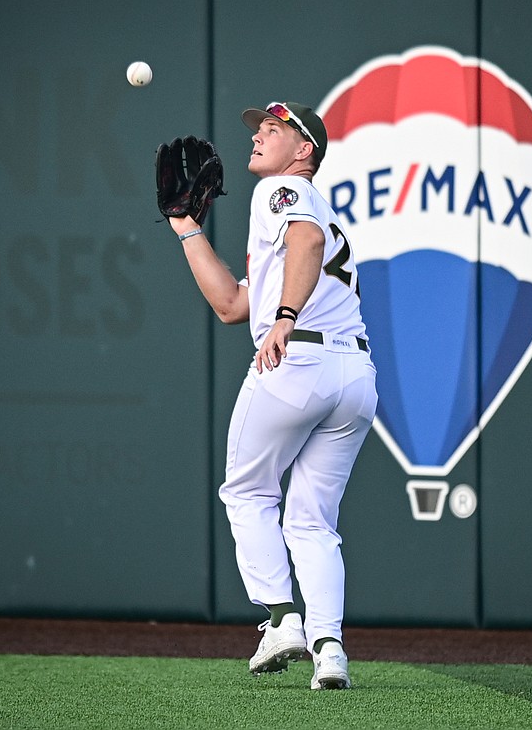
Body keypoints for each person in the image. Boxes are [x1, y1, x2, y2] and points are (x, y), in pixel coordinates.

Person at [166, 101, 377, 690]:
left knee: (246, 489)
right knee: (312, 521)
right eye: (258, 128)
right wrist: (187, 226)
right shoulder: (309, 211)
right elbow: (233, 306)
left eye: (274, 129)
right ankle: (330, 648)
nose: (258, 135)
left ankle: (284, 621)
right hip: (355, 375)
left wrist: (284, 316)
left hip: (298, 358)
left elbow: (305, 243)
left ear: (303, 150)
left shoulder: (283, 193)